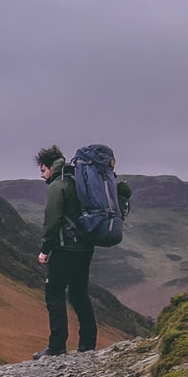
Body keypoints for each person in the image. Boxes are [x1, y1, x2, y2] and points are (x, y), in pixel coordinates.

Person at [33, 144, 130, 358]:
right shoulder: (79, 180)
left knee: (54, 292)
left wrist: (45, 249)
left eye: (42, 170)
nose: (42, 175)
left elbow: (52, 221)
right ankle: (87, 344)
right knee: (79, 294)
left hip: (65, 248)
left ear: (50, 167)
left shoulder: (58, 185)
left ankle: (56, 346)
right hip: (86, 247)